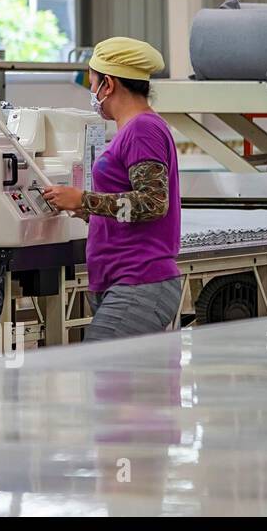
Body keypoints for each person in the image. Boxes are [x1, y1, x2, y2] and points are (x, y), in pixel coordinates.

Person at [42, 37, 182, 340]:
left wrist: (86, 200)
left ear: (109, 84)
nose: (92, 92)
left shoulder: (142, 130)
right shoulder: (129, 131)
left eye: (92, 83)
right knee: (126, 384)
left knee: (104, 372)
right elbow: (129, 208)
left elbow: (153, 202)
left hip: (139, 281)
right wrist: (83, 210)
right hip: (121, 280)